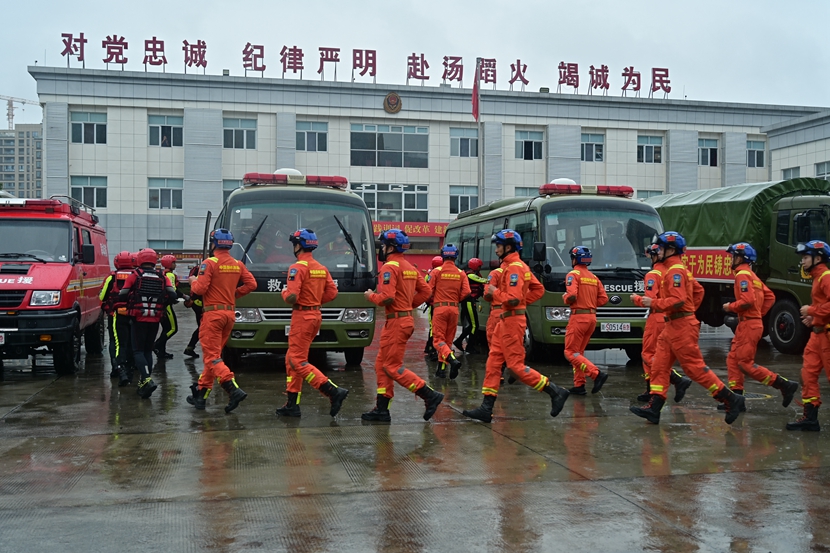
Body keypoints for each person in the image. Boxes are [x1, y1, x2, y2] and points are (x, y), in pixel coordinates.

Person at [630, 232, 745, 425]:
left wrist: (651, 302)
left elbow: (678, 300)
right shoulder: (674, 269)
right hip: (673, 324)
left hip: (681, 326)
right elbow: (698, 291)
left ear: (671, 250)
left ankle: (730, 398)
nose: (658, 251)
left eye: (661, 248)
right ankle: (654, 406)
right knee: (659, 364)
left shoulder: (675, 271)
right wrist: (689, 310)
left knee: (694, 368)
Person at [463, 229, 570, 423]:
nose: (495, 250)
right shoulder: (513, 267)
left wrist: (497, 294)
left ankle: (555, 391)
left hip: (511, 321)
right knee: (494, 362)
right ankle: (486, 408)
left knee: (515, 367)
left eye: (498, 246)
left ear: (508, 247)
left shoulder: (514, 268)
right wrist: (520, 302)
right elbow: (537, 290)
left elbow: (512, 299)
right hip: (505, 320)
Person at [362, 229, 444, 422]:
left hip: (397, 322)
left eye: (383, 246)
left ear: (390, 247)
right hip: (403, 319)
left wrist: (370, 296)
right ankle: (382, 409)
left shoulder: (390, 267)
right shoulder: (408, 266)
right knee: (381, 365)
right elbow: (425, 291)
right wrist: (409, 305)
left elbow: (387, 297)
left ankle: (428, 394)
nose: (381, 249)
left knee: (391, 366)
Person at [275, 228, 349, 418]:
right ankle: (292, 404)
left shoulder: (297, 268)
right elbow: (332, 293)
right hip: (315, 315)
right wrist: (314, 301)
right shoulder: (321, 268)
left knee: (297, 361)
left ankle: (331, 391)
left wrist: (283, 293)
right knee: (291, 360)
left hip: (302, 317)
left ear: (298, 246)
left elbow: (291, 296)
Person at [186, 229, 257, 413]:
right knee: (214, 357)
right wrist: (235, 293)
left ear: (213, 244)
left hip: (213, 315)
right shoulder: (237, 264)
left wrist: (192, 280)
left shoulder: (209, 263)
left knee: (211, 357)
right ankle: (201, 396)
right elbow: (252, 284)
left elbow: (200, 289)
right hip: (229, 315)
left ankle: (232, 389)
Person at [722, 242, 798, 408]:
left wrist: (730, 307)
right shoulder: (752, 275)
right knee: (733, 360)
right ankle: (737, 400)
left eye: (733, 256)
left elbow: (747, 301)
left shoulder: (742, 275)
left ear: (741, 258)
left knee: (744, 364)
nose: (731, 260)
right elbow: (769, 296)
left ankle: (783, 384)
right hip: (749, 323)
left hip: (749, 325)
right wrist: (758, 313)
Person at [630, 244, 692, 403]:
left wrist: (636, 299)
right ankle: (652, 389)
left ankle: (676, 379)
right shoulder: (671, 272)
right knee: (659, 354)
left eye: (651, 256)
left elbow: (649, 300)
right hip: (669, 317)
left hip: (656, 317)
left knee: (648, 354)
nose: (650, 258)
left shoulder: (653, 274)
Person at [118, 248, 177, 398]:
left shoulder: (135, 275)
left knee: (137, 350)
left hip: (138, 318)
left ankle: (146, 379)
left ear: (139, 260)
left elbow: (122, 294)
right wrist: (162, 303)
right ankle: (144, 381)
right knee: (147, 351)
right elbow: (173, 294)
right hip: (155, 318)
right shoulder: (162, 276)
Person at [786, 240, 830, 431]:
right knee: (808, 374)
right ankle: (810, 418)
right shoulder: (817, 278)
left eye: (805, 258)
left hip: (827, 335)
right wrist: (814, 320)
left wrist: (811, 310)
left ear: (817, 258)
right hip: (817, 334)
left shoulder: (826, 277)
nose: (802, 262)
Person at [563, 246, 610, 395]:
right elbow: (604, 299)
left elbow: (571, 296)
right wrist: (589, 303)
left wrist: (565, 298)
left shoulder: (573, 275)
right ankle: (579, 385)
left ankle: (596, 374)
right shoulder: (593, 277)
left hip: (578, 318)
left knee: (570, 352)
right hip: (591, 318)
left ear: (575, 259)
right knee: (578, 353)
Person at [428, 244, 470, 380]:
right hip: (454, 309)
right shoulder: (461, 273)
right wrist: (456, 299)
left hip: (440, 308)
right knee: (447, 341)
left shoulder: (436, 272)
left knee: (438, 341)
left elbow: (429, 291)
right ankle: (441, 370)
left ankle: (452, 360)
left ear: (443, 255)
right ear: (455, 256)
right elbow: (467, 292)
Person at [99, 250, 135, 385]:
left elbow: (102, 296)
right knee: (131, 341)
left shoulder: (112, 277)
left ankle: (116, 368)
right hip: (133, 313)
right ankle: (130, 368)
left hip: (115, 314)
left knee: (116, 342)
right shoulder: (136, 275)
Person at [454, 257, 487, 354]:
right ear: (475, 266)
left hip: (470, 302)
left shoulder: (473, 274)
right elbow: (482, 280)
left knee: (472, 325)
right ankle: (469, 346)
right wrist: (491, 281)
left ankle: (459, 341)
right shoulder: (470, 275)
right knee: (474, 325)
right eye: (479, 266)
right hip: (468, 302)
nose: (480, 268)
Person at [154, 254, 181, 360]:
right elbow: (173, 291)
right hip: (167, 306)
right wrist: (184, 296)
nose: (175, 264)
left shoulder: (161, 273)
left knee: (165, 328)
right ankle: (156, 345)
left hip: (161, 305)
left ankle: (161, 351)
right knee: (173, 329)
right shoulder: (169, 275)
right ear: (170, 264)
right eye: (174, 262)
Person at [423, 255, 443, 361]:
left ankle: (429, 347)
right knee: (433, 327)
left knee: (435, 327)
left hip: (435, 304)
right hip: (433, 305)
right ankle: (431, 348)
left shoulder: (430, 274)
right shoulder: (432, 275)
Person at [182, 263, 203, 359]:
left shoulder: (198, 269)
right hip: (200, 303)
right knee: (203, 327)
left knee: (201, 327)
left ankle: (190, 348)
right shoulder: (203, 271)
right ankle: (190, 348)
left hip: (197, 303)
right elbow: (199, 288)